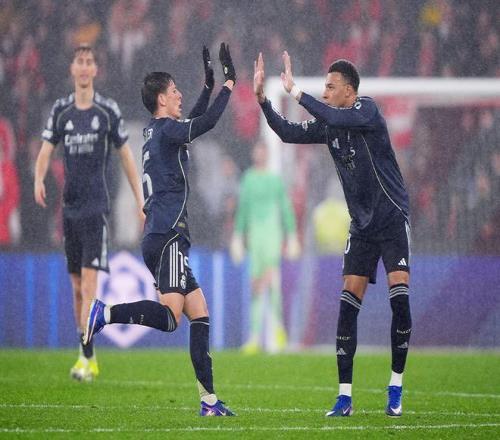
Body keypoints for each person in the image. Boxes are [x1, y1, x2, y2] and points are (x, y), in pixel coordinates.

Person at [254, 52, 412, 417]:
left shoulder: (367, 111)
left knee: (399, 301)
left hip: (391, 219)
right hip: (362, 227)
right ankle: (344, 397)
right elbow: (287, 132)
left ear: (349, 92)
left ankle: (395, 386)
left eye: (330, 87)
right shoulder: (330, 126)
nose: (324, 93)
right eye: (323, 87)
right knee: (347, 306)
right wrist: (262, 100)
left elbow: (334, 115)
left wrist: (295, 92)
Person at [83, 44, 236, 416]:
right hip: (167, 235)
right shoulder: (166, 130)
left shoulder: (157, 131)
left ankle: (209, 402)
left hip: (162, 235)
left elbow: (191, 125)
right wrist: (229, 85)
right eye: (175, 91)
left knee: (200, 314)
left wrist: (208, 87)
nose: (180, 95)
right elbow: (205, 124)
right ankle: (105, 313)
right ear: (161, 99)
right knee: (170, 318)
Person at [34, 45, 144, 382]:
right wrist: (38, 178)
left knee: (90, 282)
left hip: (96, 208)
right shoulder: (61, 111)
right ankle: (89, 354)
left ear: (96, 70)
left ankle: (84, 358)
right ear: (72, 69)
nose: (84, 67)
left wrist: (139, 198)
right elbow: (45, 150)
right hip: (70, 208)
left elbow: (126, 155)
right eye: (79, 62)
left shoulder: (107, 111)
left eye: (89, 62)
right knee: (77, 288)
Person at [230, 141, 299, 353]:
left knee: (272, 281)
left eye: (262, 151)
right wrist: (238, 236)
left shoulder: (274, 180)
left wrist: (291, 235)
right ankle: (254, 336)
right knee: (255, 285)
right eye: (257, 151)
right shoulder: (248, 179)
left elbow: (285, 208)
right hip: (255, 236)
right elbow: (243, 208)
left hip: (271, 234)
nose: (259, 154)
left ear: (267, 154)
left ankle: (278, 330)